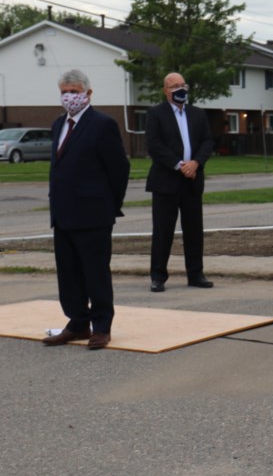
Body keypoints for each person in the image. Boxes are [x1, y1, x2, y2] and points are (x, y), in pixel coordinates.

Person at [43, 69, 130, 350]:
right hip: (63, 215)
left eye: (75, 91)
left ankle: (101, 326)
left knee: (95, 273)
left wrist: (109, 205)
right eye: (65, 91)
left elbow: (119, 169)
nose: (70, 96)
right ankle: (78, 323)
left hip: (93, 216)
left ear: (88, 93)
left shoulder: (102, 124)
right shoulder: (59, 124)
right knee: (68, 274)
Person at [145, 72, 216, 292]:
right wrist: (179, 165)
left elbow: (207, 141)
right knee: (163, 231)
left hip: (192, 181)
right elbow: (154, 145)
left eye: (183, 84)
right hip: (166, 182)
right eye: (174, 86)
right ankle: (158, 276)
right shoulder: (155, 114)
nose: (180, 89)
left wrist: (195, 163)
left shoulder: (197, 114)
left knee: (194, 230)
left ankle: (196, 274)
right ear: (166, 90)